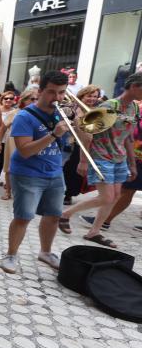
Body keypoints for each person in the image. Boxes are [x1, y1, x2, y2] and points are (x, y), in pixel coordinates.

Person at [59, 72, 142, 247]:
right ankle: (66, 214)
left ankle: (94, 232)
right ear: (135, 86)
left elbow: (128, 138)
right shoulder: (109, 106)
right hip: (100, 156)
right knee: (106, 197)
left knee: (116, 196)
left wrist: (132, 164)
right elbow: (86, 131)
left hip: (119, 158)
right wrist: (83, 160)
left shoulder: (133, 108)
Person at [0, 71, 70, 274]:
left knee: (54, 215)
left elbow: (81, 140)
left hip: (55, 172)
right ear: (40, 91)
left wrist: (82, 125)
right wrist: (54, 134)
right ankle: (11, 254)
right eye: (51, 92)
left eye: (61, 93)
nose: (57, 98)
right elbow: (25, 150)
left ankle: (45, 252)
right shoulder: (24, 116)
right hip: (27, 174)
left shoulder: (61, 113)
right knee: (24, 217)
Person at [62, 85, 100, 205]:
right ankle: (63, 192)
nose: (92, 99)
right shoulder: (72, 107)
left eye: (95, 96)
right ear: (82, 96)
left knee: (76, 173)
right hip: (70, 143)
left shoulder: (97, 110)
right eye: (89, 96)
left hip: (87, 144)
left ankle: (69, 193)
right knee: (68, 168)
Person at [0, 89, 38, 200]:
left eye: (36, 99)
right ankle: (8, 191)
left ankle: (24, 192)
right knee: (9, 168)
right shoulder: (15, 113)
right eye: (32, 99)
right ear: (24, 100)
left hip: (30, 142)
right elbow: (3, 128)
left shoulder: (38, 113)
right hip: (12, 142)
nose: (35, 101)